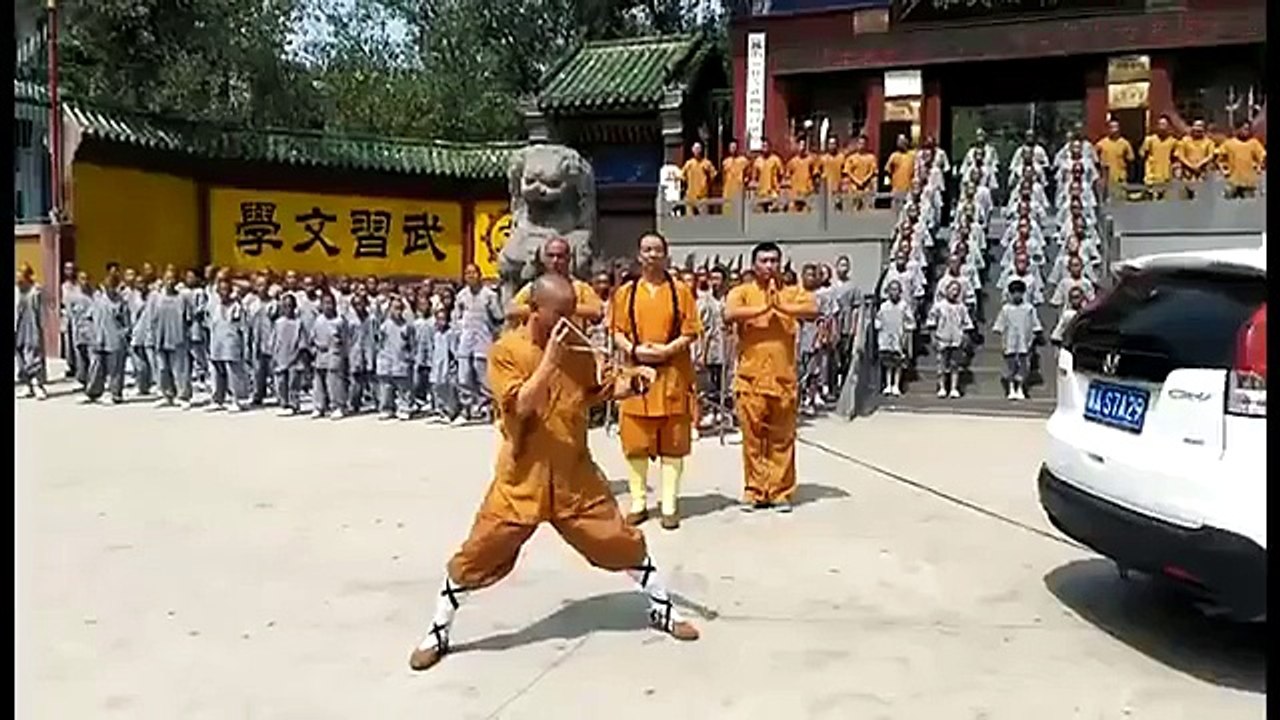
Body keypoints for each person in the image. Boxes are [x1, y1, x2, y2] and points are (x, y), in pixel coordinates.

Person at [407, 273, 699, 672]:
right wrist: (550, 361)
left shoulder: (578, 350)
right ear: (534, 311)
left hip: (573, 478)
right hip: (520, 479)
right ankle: (439, 630)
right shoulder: (506, 351)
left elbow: (600, 388)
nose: (569, 323)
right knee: (477, 554)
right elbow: (521, 405)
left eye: (572, 314)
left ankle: (662, 608)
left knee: (619, 540)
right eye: (559, 315)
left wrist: (635, 384)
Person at [608, 233, 701, 530]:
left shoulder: (681, 291)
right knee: (635, 442)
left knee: (673, 443)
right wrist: (633, 350)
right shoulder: (626, 292)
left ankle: (670, 504)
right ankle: (638, 502)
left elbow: (690, 331)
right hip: (637, 375)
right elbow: (616, 330)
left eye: (657, 250)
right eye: (647, 250)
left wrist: (667, 349)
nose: (652, 255)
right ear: (639, 255)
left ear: (666, 255)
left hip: (672, 374)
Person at [724, 242, 818, 512]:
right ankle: (755, 489)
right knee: (753, 438)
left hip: (783, 377)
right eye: (764, 261)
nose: (769, 266)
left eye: (774, 261)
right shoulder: (741, 292)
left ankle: (779, 491)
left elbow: (812, 310)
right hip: (750, 378)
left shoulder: (792, 293)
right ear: (754, 265)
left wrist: (782, 307)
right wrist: (764, 308)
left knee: (782, 437)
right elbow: (730, 313)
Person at [507, 237, 603, 328]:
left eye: (560, 256)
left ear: (568, 258)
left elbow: (597, 312)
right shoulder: (534, 287)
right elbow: (511, 311)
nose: (555, 261)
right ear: (544, 259)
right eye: (551, 256)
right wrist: (542, 309)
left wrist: (565, 309)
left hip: (572, 342)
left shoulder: (580, 287)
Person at [454, 263, 503, 421]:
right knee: (463, 374)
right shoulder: (461, 295)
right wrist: (458, 331)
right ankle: (466, 407)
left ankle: (486, 406)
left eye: (473, 273)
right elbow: (456, 317)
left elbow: (498, 318)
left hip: (483, 337)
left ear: (479, 275)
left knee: (482, 373)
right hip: (465, 338)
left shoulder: (489, 295)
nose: (470, 276)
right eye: (467, 273)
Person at [993, 279, 1043, 401]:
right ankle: (1011, 388)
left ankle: (1020, 388)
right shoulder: (1006, 309)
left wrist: (1033, 338)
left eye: (1019, 292)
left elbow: (1035, 325)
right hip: (1009, 342)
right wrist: (1002, 341)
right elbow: (999, 326)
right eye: (1014, 292)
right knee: (1011, 366)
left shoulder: (1029, 308)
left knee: (1023, 366)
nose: (1016, 295)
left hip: (1024, 342)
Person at [84, 272, 130, 405]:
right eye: (108, 286)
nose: (110, 289)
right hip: (98, 339)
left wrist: (123, 334)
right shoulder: (98, 301)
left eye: (113, 286)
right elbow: (88, 318)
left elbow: (126, 322)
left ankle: (116, 394)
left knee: (115, 369)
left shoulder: (121, 302)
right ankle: (93, 392)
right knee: (96, 368)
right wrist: (90, 334)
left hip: (115, 340)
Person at [152, 268, 194, 409]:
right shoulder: (156, 298)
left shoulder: (182, 298)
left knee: (180, 370)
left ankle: (183, 396)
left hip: (178, 339)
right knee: (163, 369)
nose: (170, 282)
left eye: (172, 279)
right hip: (160, 338)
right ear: (163, 280)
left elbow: (189, 318)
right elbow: (152, 319)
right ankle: (167, 395)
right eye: (167, 278)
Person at [208, 277, 250, 412]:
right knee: (216, 372)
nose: (223, 293)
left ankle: (236, 399)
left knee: (234, 373)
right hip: (216, 343)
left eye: (226, 290)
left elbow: (243, 328)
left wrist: (245, 346)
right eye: (221, 290)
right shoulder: (214, 306)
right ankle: (217, 399)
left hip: (232, 344)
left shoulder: (237, 307)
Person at [927, 280, 973, 400]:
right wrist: (933, 337)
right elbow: (932, 322)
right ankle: (942, 387)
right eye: (952, 290)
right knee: (941, 365)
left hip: (956, 340)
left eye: (957, 290)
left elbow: (966, 324)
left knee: (955, 365)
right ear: (946, 290)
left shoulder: (961, 307)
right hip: (942, 338)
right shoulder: (938, 306)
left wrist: (964, 337)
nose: (954, 293)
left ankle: (954, 388)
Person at [310, 291, 348, 419]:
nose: (328, 306)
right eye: (325, 303)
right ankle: (319, 406)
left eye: (330, 303)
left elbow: (345, 338)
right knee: (319, 381)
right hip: (320, 353)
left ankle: (338, 406)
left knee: (334, 381)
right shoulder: (318, 320)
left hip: (334, 352)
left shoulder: (339, 321)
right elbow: (313, 336)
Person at [376, 296, 415, 421]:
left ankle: (404, 408)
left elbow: (412, 344)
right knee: (386, 387)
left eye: (399, 308)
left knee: (404, 387)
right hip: (386, 359)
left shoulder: (407, 326)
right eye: (394, 308)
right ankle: (387, 408)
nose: (397, 311)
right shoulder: (384, 325)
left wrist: (410, 358)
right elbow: (379, 342)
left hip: (401, 360)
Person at [875, 279, 914, 397]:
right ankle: (888, 384)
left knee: (898, 363)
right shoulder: (884, 306)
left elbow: (910, 320)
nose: (894, 292)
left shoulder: (904, 305)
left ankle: (896, 385)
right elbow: (878, 320)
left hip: (899, 336)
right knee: (888, 363)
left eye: (896, 289)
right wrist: (879, 327)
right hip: (886, 337)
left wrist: (907, 330)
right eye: (892, 289)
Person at [272, 293, 308, 416]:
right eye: (285, 306)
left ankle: (294, 404)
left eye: (290, 306)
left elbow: (302, 342)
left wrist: (298, 355)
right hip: (281, 357)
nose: (288, 309)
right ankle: (283, 403)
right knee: (281, 382)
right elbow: (274, 340)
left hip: (295, 358)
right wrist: (274, 355)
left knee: (293, 383)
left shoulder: (299, 323)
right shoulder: (278, 323)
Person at [346, 293, 378, 416]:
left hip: (370, 351)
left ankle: (379, 403)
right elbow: (347, 338)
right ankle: (354, 404)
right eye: (356, 304)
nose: (359, 306)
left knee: (373, 379)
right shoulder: (350, 320)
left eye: (361, 303)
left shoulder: (372, 319)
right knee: (356, 380)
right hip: (355, 352)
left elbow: (377, 336)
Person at [1216, 121, 1267, 198]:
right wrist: (1223, 170)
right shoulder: (1229, 143)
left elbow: (1262, 156)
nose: (1247, 131)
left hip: (1248, 183)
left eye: (1248, 129)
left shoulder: (1254, 143)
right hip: (1233, 182)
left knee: (1248, 206)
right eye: (1245, 129)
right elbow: (1218, 157)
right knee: (1228, 206)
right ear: (1238, 129)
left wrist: (1260, 167)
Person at [1140, 114, 1178, 198]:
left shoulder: (1173, 141)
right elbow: (1142, 154)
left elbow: (1175, 159)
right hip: (1152, 176)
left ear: (1168, 126)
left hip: (1166, 176)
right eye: (1160, 124)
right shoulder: (1150, 140)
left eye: (1164, 124)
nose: (1162, 127)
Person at [1175, 119, 1217, 190]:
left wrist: (1199, 165)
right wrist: (1191, 166)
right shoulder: (1184, 141)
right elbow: (1181, 156)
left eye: (1200, 128)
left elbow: (1210, 156)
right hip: (1187, 173)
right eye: (1196, 127)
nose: (1198, 130)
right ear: (1192, 128)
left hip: (1202, 173)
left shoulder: (1209, 142)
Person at [1095, 118, 1134, 191]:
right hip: (1106, 179)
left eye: (1116, 127)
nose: (1114, 130)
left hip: (1120, 178)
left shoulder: (1125, 143)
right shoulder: (1101, 144)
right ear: (1108, 129)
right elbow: (1094, 159)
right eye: (1112, 127)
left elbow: (1131, 160)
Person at [842, 135, 878, 209]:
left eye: (863, 144)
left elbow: (873, 171)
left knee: (867, 208)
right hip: (854, 187)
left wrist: (864, 180)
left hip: (866, 187)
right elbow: (848, 172)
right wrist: (857, 181)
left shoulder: (871, 158)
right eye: (860, 143)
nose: (861, 146)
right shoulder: (851, 158)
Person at [680, 141, 715, 215]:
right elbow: (682, 177)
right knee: (689, 219)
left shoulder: (707, 163)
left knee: (704, 219)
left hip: (702, 196)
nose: (697, 151)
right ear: (692, 150)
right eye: (695, 148)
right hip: (690, 195)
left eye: (698, 148)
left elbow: (713, 176)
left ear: (701, 150)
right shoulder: (689, 163)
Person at [784, 137, 818, 212]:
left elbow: (815, 175)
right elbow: (787, 177)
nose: (802, 148)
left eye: (804, 145)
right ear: (797, 146)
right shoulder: (792, 162)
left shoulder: (811, 160)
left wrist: (813, 189)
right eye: (800, 145)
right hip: (795, 194)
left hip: (807, 193)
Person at [751, 139, 784, 212]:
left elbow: (781, 174)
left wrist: (778, 188)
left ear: (770, 147)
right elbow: (754, 178)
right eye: (763, 146)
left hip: (773, 193)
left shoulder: (776, 160)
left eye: (766, 146)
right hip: (761, 194)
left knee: (773, 216)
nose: (764, 148)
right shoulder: (757, 161)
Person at [720, 139, 751, 211]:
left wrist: (746, 180)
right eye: (731, 147)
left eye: (735, 147)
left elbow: (749, 174)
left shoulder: (743, 160)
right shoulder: (725, 162)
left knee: (739, 213)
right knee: (727, 213)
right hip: (728, 192)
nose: (733, 149)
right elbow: (723, 177)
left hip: (739, 191)